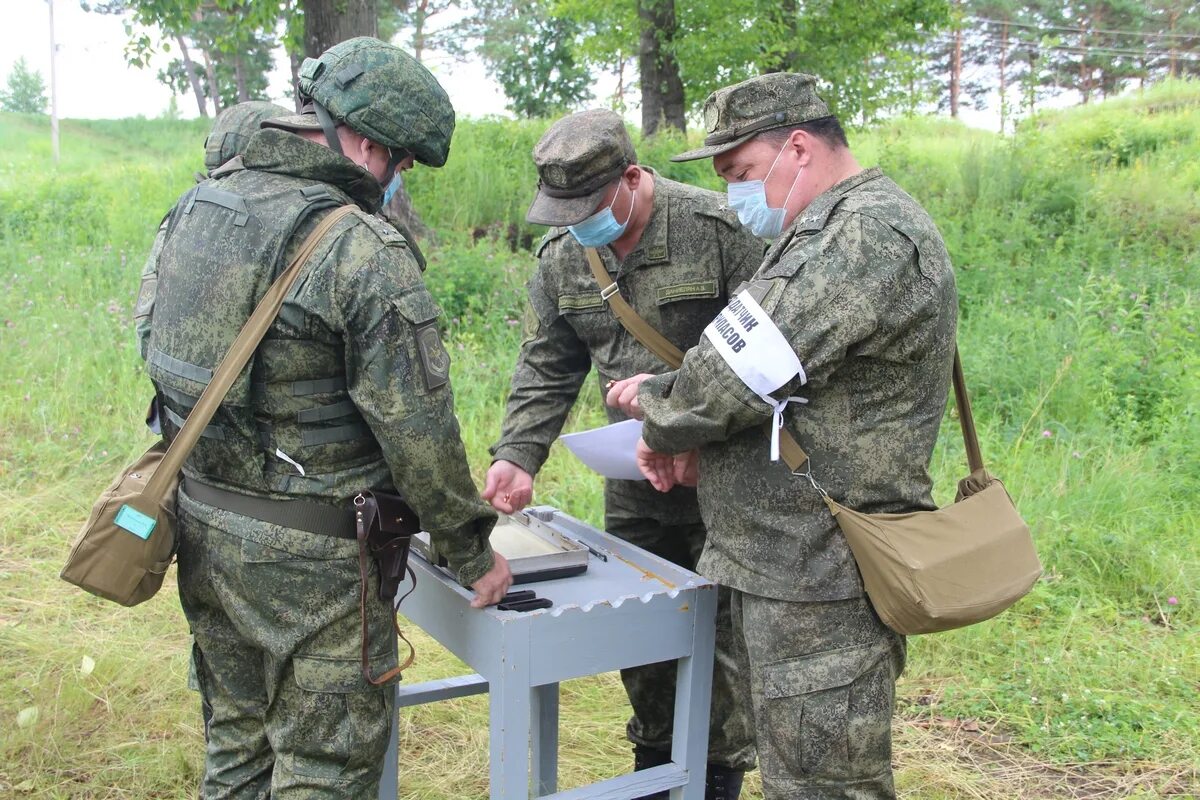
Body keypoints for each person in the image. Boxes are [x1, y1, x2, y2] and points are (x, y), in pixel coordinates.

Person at [133, 37, 511, 797]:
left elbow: (153, 345)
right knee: (326, 769)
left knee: (236, 746)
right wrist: (475, 553)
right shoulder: (362, 249)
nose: (398, 180)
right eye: (400, 161)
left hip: (202, 526)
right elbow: (421, 435)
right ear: (365, 140)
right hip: (321, 567)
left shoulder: (198, 207)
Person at [607, 73, 959, 799]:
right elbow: (804, 401)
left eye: (738, 172)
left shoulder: (860, 235)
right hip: (791, 564)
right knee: (798, 774)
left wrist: (660, 413)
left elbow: (732, 373)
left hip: (824, 577)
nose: (735, 193)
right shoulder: (827, 226)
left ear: (797, 147)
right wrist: (707, 456)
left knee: (825, 784)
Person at [484, 109, 762, 799]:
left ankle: (715, 776)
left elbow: (765, 354)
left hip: (725, 474)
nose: (576, 223)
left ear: (633, 178)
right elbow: (548, 364)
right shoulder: (562, 259)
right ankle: (657, 769)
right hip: (633, 479)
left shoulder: (720, 232)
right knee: (640, 632)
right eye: (563, 211)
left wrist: (671, 399)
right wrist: (518, 454)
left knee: (725, 635)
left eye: (589, 206)